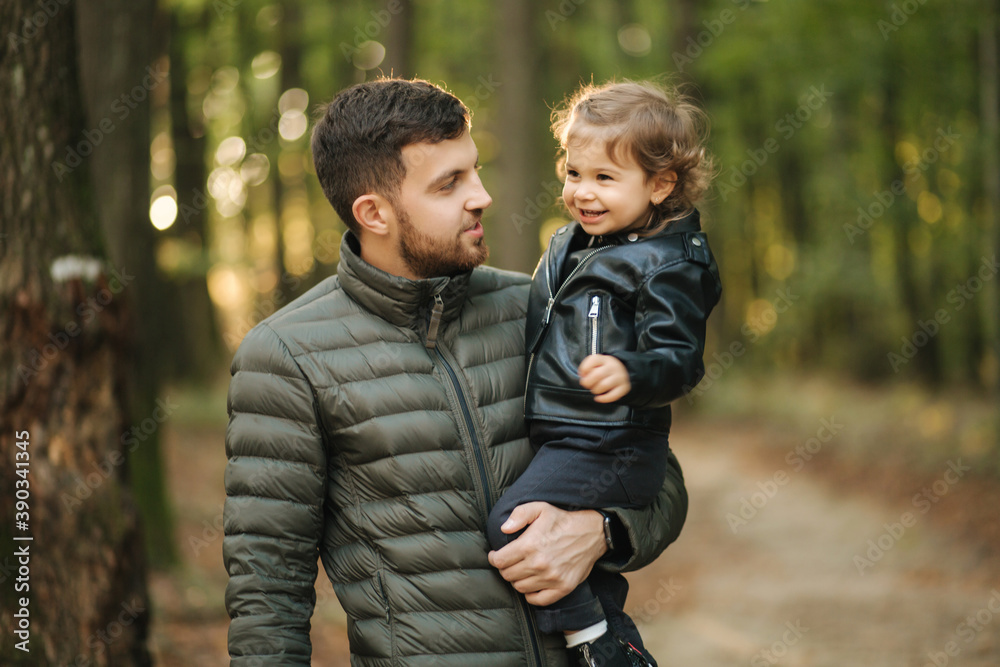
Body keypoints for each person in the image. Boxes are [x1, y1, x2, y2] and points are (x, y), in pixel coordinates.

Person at [222, 77, 690, 667]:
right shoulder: (285, 357)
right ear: (375, 213)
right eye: (450, 184)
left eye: (474, 170)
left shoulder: (539, 306)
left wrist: (602, 529)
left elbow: (660, 478)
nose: (482, 196)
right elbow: (268, 594)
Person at [486, 80, 722, 667]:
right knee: (535, 529)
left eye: (604, 179)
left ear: (660, 183)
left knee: (511, 524)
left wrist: (633, 372)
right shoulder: (571, 245)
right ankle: (615, 643)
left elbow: (681, 358)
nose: (582, 193)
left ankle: (595, 640)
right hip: (569, 437)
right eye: (573, 174)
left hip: (613, 443)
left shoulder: (667, 263)